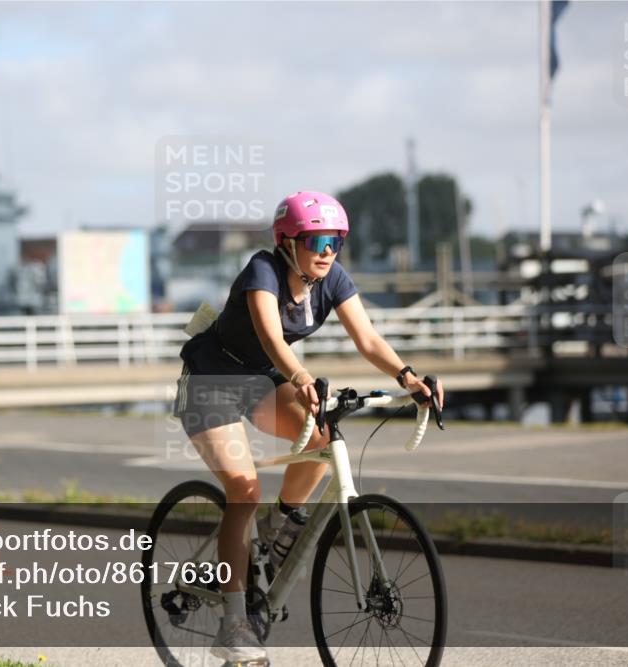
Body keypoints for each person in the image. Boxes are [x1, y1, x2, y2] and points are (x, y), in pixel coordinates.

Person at [171, 191, 446, 664]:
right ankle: (233, 624)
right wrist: (299, 377)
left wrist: (407, 377)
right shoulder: (263, 270)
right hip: (213, 382)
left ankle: (281, 528)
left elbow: (367, 337)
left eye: (336, 240)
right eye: (317, 240)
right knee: (244, 488)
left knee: (322, 438)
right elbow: (270, 336)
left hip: (261, 380)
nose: (327, 251)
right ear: (287, 242)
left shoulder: (331, 277)